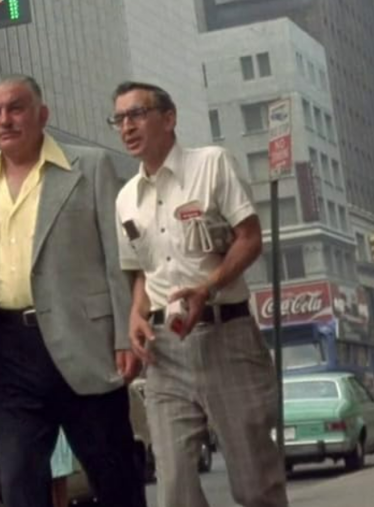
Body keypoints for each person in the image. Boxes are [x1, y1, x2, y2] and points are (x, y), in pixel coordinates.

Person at [0, 75, 146, 507]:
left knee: (114, 477)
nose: (5, 120)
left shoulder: (90, 168)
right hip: (8, 355)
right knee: (20, 484)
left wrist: (122, 335)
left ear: (42, 114)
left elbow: (119, 260)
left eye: (16, 108)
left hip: (84, 342)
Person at [111, 81, 287, 507]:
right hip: (164, 353)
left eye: (137, 114)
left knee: (255, 486)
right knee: (173, 491)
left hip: (227, 337)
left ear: (168, 118)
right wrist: (136, 317)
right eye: (119, 119)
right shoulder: (125, 199)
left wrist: (206, 288)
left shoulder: (212, 165)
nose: (127, 126)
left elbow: (250, 239)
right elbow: (141, 274)